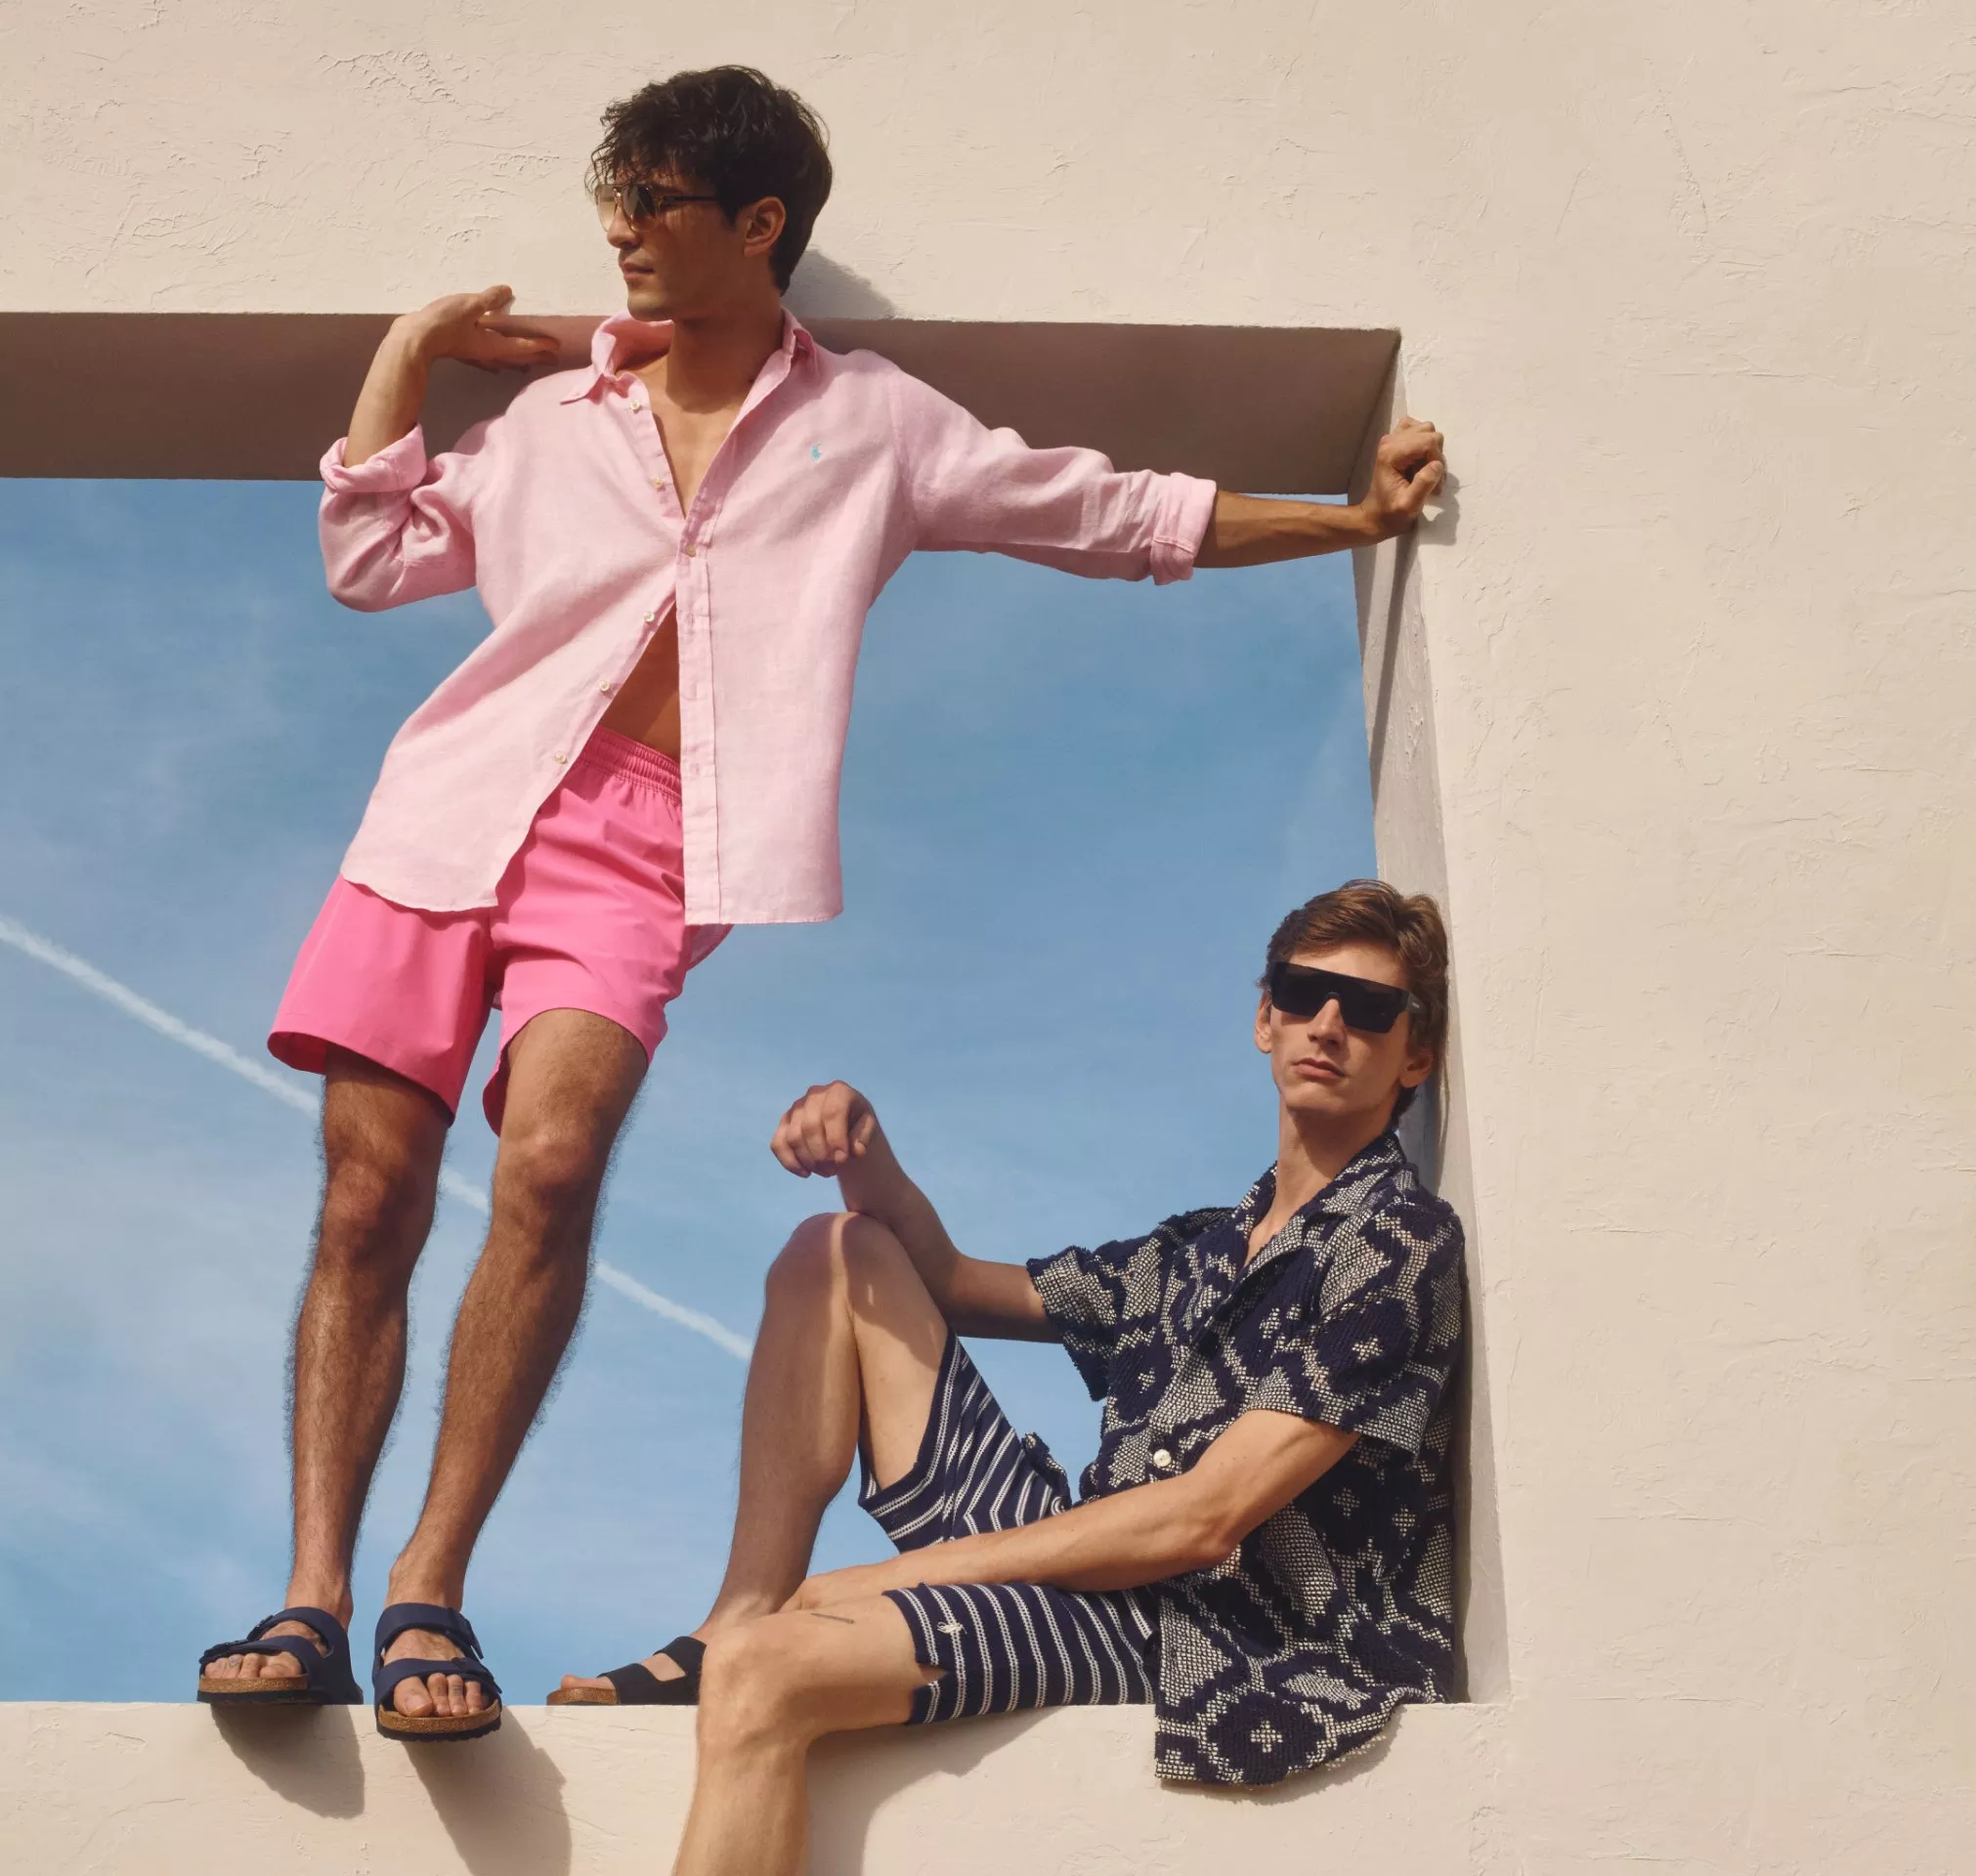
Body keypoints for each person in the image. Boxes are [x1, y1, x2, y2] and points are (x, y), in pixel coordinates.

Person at [190, 67, 1449, 1742]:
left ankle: (430, 1584)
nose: (620, 234)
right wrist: (409, 351)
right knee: (368, 1199)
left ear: (758, 221)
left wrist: (1351, 517)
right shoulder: (556, 417)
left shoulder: (874, 425)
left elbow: (1111, 511)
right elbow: (370, 558)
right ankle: (315, 1596)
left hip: (648, 848)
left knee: (551, 1166)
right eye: (615, 201)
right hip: (444, 811)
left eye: (654, 203)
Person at [565, 882, 1464, 1876]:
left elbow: (1204, 1519)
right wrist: (865, 1152)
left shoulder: (1398, 1242)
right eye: (1302, 994)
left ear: (1414, 1057)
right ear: (1266, 1017)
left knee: (768, 1670)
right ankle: (738, 1608)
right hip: (1098, 1572)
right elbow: (951, 1285)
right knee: (837, 1250)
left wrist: (896, 1576)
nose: (1328, 1025)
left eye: (1368, 1008)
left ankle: (747, 1641)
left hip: (1218, 1635)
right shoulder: (1197, 1249)